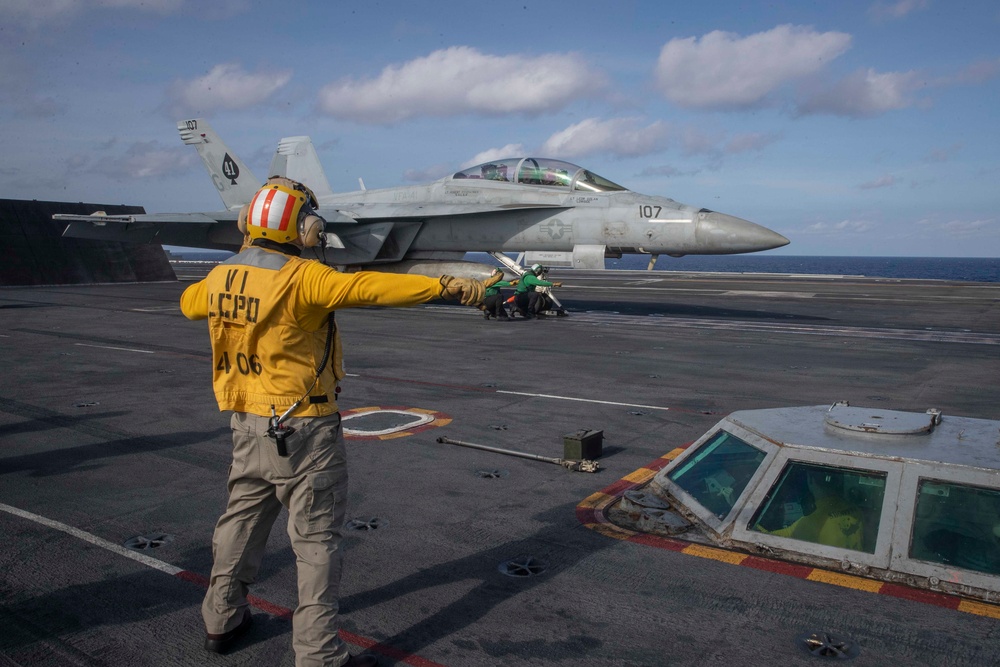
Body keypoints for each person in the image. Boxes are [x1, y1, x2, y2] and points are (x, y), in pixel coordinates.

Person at [179, 176, 486, 667]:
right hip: (306, 431)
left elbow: (188, 303)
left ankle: (221, 619)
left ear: (248, 224)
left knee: (238, 525)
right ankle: (318, 653)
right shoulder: (303, 277)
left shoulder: (219, 278)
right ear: (304, 227)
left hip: (247, 426)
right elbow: (370, 287)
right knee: (317, 542)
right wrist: (450, 286)